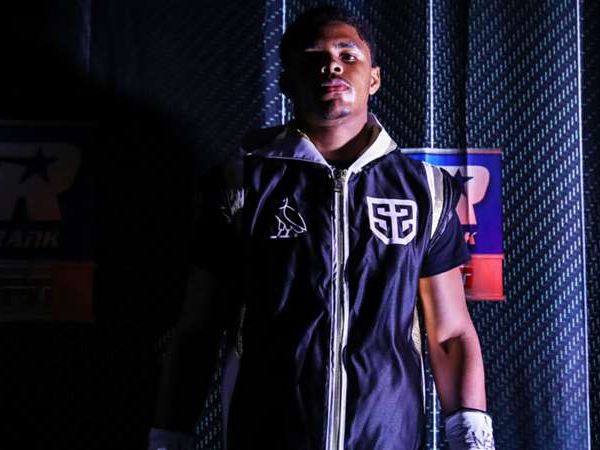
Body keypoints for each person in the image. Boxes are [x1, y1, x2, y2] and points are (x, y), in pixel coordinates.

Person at [149, 6, 494, 450]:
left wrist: (471, 435)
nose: (332, 64)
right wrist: (169, 434)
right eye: (313, 57)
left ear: (374, 79)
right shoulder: (240, 185)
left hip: (386, 437)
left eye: (348, 55)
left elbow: (449, 333)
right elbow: (197, 328)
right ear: (287, 82)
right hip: (267, 434)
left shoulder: (426, 190)